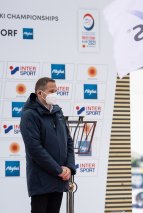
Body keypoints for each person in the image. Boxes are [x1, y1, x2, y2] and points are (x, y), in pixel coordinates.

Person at [20, 77, 76, 213]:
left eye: (56, 91)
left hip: (59, 179)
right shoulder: (30, 115)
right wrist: (59, 170)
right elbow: (34, 149)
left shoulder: (57, 112)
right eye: (51, 91)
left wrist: (69, 167)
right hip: (42, 180)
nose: (55, 94)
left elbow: (68, 140)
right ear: (40, 93)